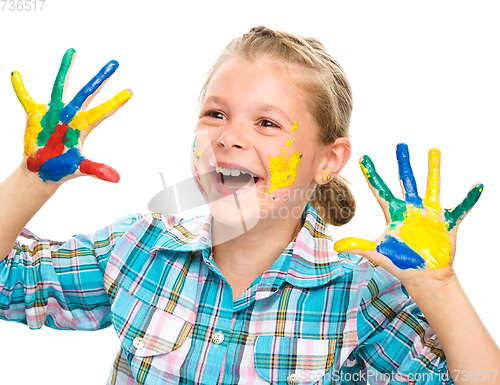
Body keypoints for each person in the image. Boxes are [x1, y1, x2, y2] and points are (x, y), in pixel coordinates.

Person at [0, 26, 498, 385]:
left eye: (266, 123)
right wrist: (31, 180)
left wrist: (441, 288)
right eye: (215, 113)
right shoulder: (137, 249)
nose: (230, 137)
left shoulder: (361, 292)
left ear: (329, 160)